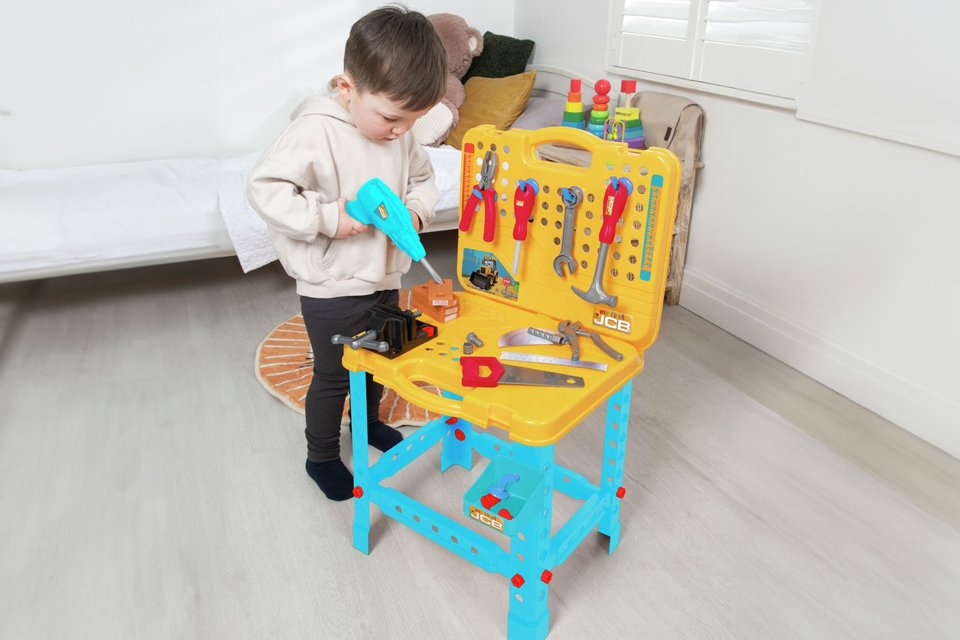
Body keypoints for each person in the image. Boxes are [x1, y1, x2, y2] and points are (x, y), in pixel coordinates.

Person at [247, 6, 447, 501]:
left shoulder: (402, 136)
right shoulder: (314, 131)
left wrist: (416, 212)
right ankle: (320, 456)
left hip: (385, 276)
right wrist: (327, 218)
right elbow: (266, 189)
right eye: (391, 117)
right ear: (347, 87)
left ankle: (368, 422)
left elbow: (424, 179)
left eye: (412, 120)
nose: (400, 130)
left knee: (378, 359)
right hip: (331, 285)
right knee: (334, 374)